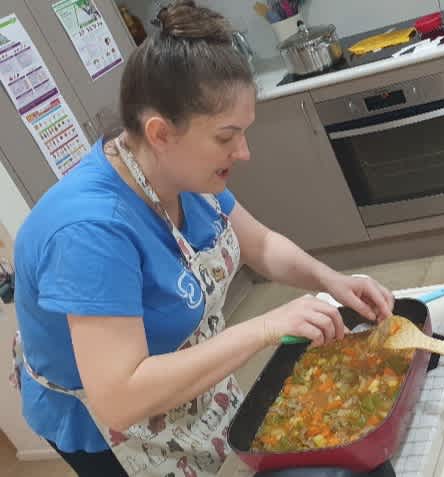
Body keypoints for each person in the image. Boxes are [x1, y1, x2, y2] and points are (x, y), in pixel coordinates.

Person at [10, 2, 394, 476]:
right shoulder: (90, 232)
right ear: (160, 133)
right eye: (227, 136)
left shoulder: (177, 172)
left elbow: (261, 245)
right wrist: (265, 327)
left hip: (170, 367)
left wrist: (329, 279)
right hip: (105, 423)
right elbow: (120, 398)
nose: (244, 152)